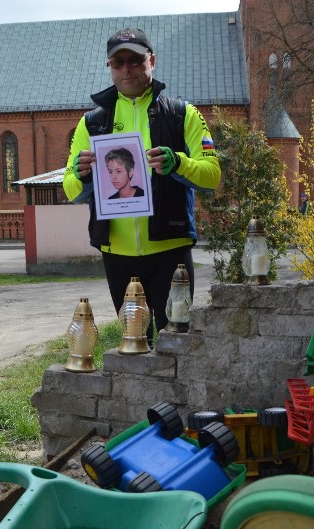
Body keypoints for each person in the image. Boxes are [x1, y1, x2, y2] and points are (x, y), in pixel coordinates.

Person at [64, 28, 221, 345]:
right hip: (117, 254)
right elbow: (70, 188)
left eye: (135, 61)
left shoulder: (182, 114)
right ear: (109, 66)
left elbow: (212, 175)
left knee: (177, 340)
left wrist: (178, 163)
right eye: (118, 62)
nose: (126, 69)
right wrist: (81, 176)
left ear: (152, 61)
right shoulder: (92, 122)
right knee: (134, 343)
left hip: (170, 251)